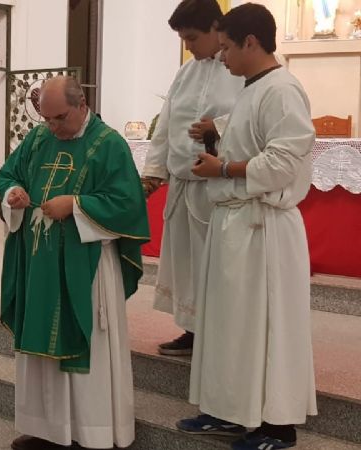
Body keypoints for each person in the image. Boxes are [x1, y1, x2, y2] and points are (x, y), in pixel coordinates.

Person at [177, 4, 318, 450]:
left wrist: (223, 169)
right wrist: (217, 135)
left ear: (251, 42)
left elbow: (282, 161)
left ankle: (277, 428)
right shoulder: (254, 88)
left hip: (263, 230)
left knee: (264, 331)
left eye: (226, 48)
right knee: (230, 329)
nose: (220, 58)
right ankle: (232, 413)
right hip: (236, 226)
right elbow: (253, 138)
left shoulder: (283, 90)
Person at [0, 76, 149, 450]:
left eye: (59, 118)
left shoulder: (108, 144)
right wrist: (13, 194)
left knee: (86, 348)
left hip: (88, 265)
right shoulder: (37, 139)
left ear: (82, 104)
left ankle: (89, 432)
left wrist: (76, 205)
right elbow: (9, 174)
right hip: (40, 264)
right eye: (45, 119)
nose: (52, 127)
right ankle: (46, 429)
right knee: (41, 353)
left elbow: (127, 204)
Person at [141, 0, 244, 356]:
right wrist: (153, 172)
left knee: (212, 264)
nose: (188, 46)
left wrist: (219, 126)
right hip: (183, 185)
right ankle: (191, 328)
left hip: (216, 186)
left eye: (193, 37)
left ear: (218, 28)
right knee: (185, 262)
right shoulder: (186, 72)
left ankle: (217, 333)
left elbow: (254, 119)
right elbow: (166, 124)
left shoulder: (242, 69)